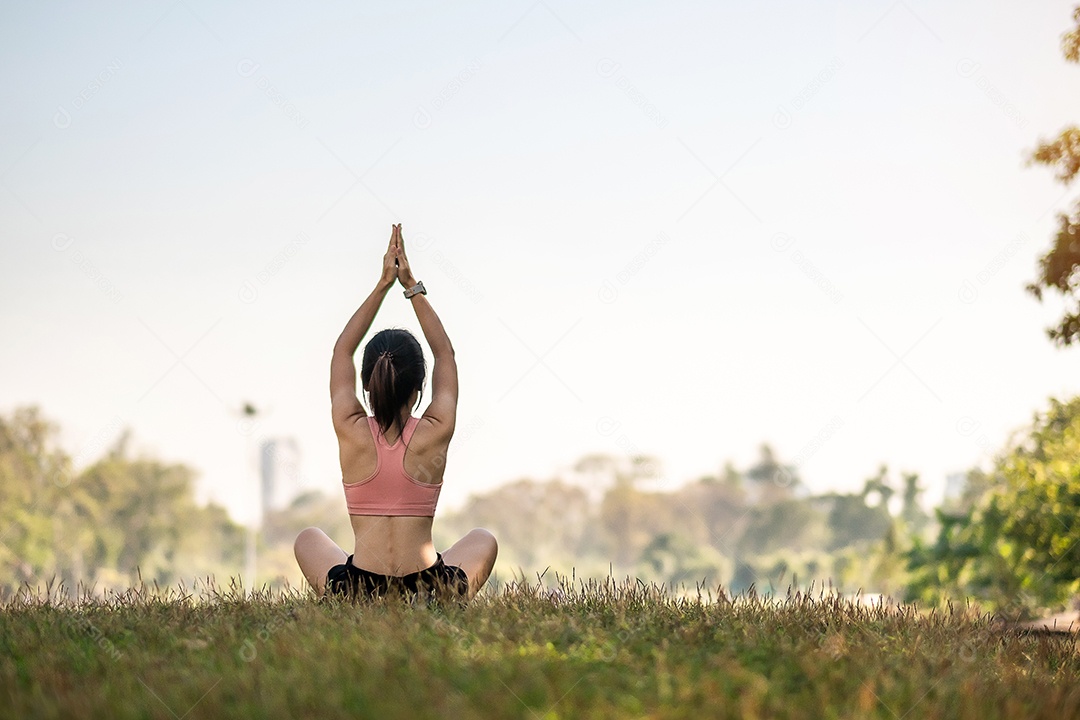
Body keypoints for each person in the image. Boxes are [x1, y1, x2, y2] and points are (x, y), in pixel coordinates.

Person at [293, 224, 497, 604]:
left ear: (367, 384)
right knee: (483, 539)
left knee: (308, 538)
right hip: (428, 586)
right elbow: (445, 353)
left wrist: (382, 284)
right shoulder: (436, 429)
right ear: (420, 387)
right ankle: (437, 602)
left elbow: (342, 351)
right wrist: (411, 286)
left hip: (359, 588)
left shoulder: (349, 427)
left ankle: (353, 603)